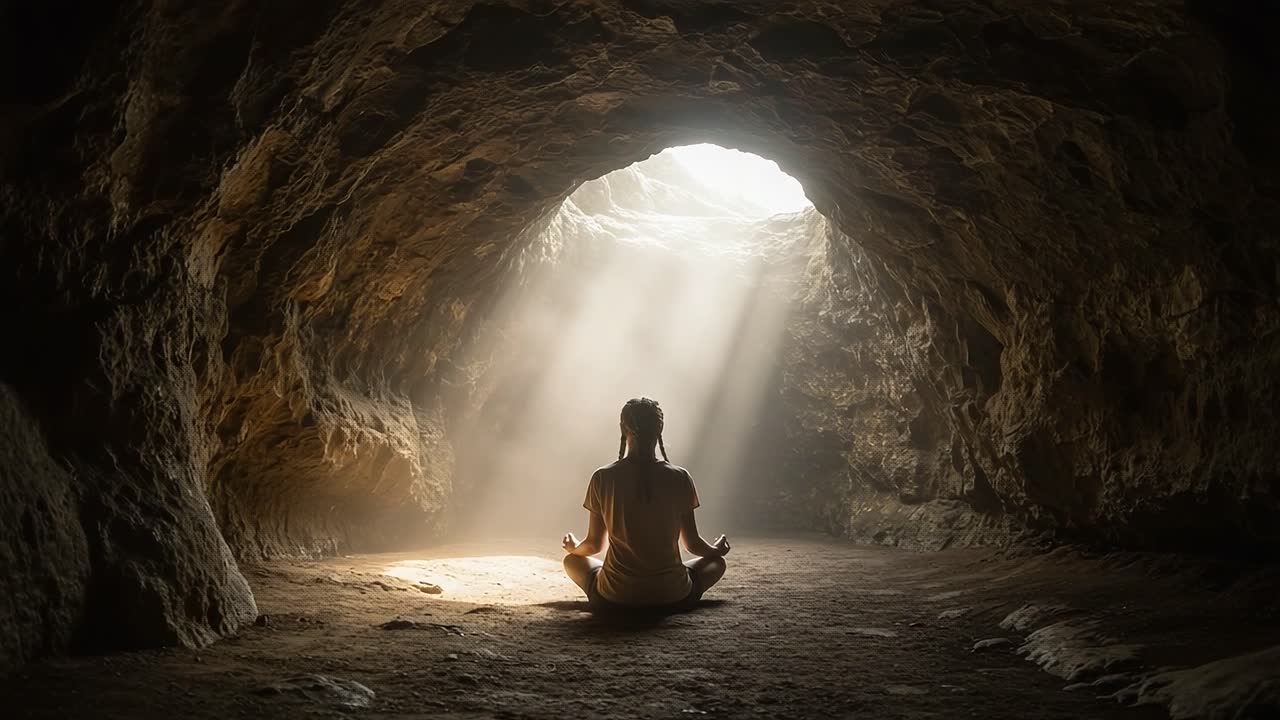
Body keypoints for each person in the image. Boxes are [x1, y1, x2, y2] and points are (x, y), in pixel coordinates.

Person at [561, 397, 730, 611]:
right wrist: (716, 550)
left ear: (623, 428)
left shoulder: (602, 477)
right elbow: (693, 544)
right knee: (716, 564)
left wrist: (574, 547)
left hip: (615, 598)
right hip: (672, 596)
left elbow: (594, 545)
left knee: (572, 561)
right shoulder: (680, 477)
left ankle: (620, 586)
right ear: (660, 427)